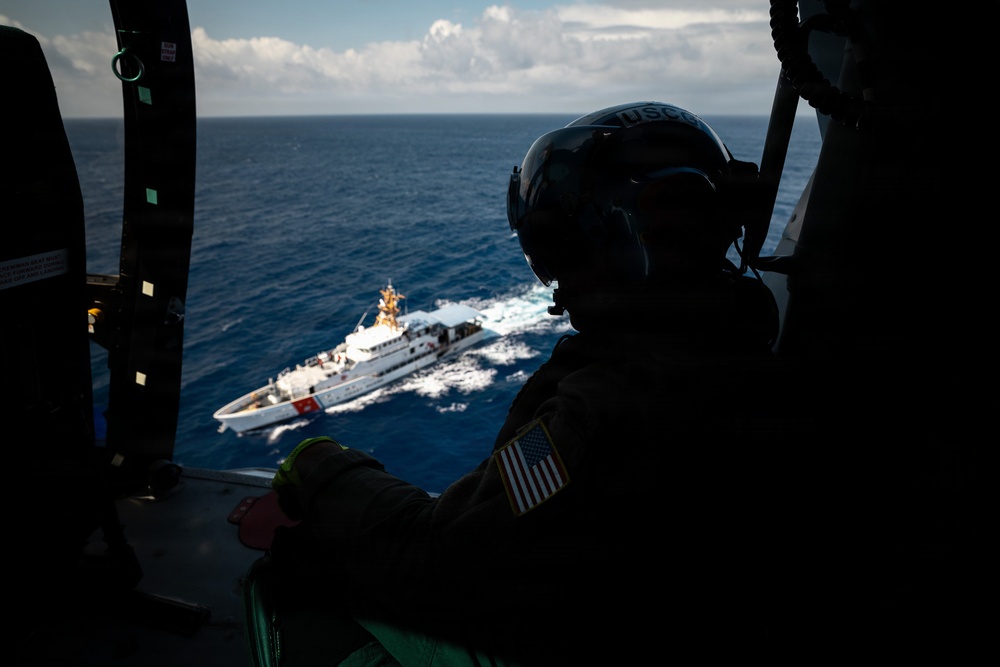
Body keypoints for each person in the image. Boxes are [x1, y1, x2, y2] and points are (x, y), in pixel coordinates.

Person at [261, 101, 800, 666]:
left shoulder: (600, 420)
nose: (558, 272)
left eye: (563, 244)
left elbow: (437, 557)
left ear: (618, 241)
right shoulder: (743, 351)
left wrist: (327, 468)